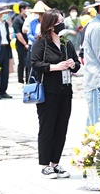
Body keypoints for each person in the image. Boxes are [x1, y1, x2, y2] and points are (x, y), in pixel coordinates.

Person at [31, 10, 81, 179]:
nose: (62, 23)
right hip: (47, 91)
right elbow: (36, 64)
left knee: (61, 128)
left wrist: (72, 64)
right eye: (60, 21)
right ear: (51, 25)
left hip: (65, 90)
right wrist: (56, 67)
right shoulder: (41, 43)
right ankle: (45, 164)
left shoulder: (66, 43)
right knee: (47, 128)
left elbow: (77, 63)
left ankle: (55, 163)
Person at [12, 2, 30, 84]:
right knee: (22, 62)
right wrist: (25, 44)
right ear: (22, 9)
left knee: (28, 62)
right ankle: (20, 79)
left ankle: (28, 79)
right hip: (21, 44)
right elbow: (18, 33)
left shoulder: (28, 18)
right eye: (26, 8)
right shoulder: (17, 19)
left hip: (29, 43)